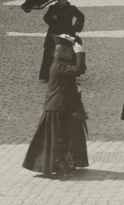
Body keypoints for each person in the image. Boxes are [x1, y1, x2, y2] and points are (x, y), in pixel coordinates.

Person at [22, 33, 89, 177]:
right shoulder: (60, 65)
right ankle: (56, 167)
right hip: (58, 107)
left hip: (62, 106)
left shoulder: (61, 63)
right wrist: (81, 53)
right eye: (71, 51)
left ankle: (62, 165)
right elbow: (79, 70)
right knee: (60, 139)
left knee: (62, 137)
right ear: (63, 51)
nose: (72, 53)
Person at [39, 0, 84, 81]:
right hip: (53, 33)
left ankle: (68, 74)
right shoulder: (53, 8)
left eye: (63, 0)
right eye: (59, 0)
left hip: (67, 33)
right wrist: (52, 18)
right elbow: (46, 17)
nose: (61, 2)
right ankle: (48, 75)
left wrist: (77, 27)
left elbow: (81, 16)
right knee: (50, 53)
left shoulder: (71, 9)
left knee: (67, 53)